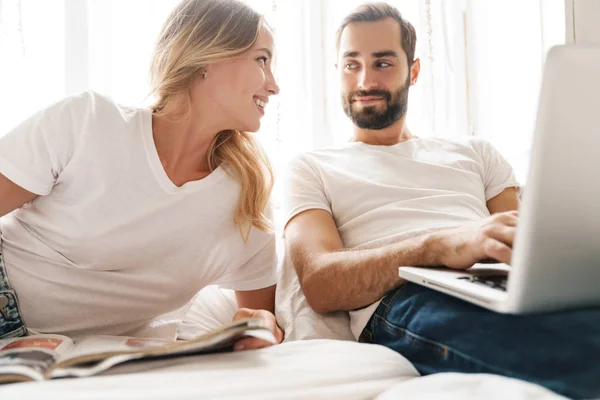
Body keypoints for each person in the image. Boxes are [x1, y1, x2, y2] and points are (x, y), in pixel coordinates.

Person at [283, 3, 600, 398]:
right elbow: (319, 283)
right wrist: (440, 246)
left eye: (382, 63)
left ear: (413, 71)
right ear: (337, 72)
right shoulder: (311, 167)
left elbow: (529, 249)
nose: (364, 80)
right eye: (351, 65)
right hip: (407, 299)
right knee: (581, 358)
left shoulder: (475, 152)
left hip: (492, 282)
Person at [0, 0, 283, 350]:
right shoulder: (88, 121)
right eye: (262, 60)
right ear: (208, 58)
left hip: (99, 357)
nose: (273, 85)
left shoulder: (248, 196)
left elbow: (261, 318)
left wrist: (261, 327)